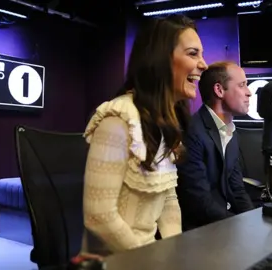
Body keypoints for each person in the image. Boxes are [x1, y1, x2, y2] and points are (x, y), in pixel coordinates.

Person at [81, 15, 208, 256]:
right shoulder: (118, 121)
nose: (204, 64)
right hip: (116, 259)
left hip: (146, 256)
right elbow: (99, 217)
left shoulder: (166, 122)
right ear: (160, 61)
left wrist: (176, 255)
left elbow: (169, 201)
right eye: (193, 54)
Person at [176, 61, 254, 231]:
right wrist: (239, 226)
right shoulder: (193, 131)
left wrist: (254, 223)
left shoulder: (231, 132)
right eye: (242, 85)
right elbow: (198, 201)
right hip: (200, 233)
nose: (249, 93)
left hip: (224, 225)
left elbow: (237, 190)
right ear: (219, 90)